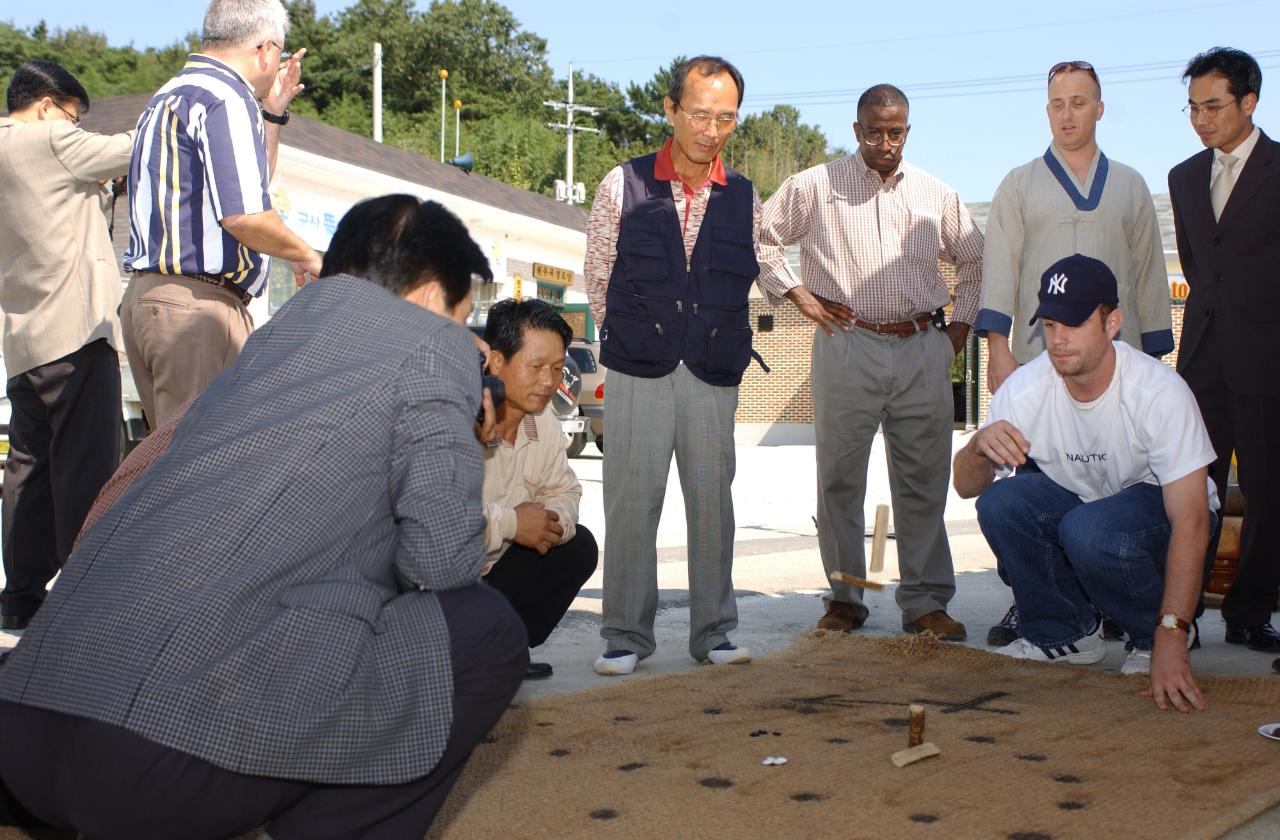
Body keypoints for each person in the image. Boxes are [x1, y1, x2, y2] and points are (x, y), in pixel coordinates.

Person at [0, 196, 529, 839]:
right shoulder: (432, 345)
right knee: (486, 628)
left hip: (27, 737)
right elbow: (440, 562)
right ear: (427, 300)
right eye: (459, 316)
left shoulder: (268, 344)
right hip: (151, 771)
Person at [757, 84, 983, 641]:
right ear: (857, 130)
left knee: (923, 481)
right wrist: (798, 295)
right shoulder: (815, 186)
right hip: (846, 342)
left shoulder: (936, 194)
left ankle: (925, 602)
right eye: (876, 131)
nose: (887, 142)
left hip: (921, 346)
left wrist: (954, 334)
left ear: (908, 130)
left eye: (897, 131)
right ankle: (846, 597)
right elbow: (760, 238)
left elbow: (977, 260)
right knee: (839, 480)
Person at [954, 254, 1215, 713]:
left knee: (1091, 530)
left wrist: (1172, 632)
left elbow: (1192, 521)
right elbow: (965, 487)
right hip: (1085, 510)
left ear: (1112, 323)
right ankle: (1064, 634)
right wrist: (977, 447)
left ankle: (1148, 634)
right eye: (1051, 324)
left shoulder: (1159, 392)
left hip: (1157, 519)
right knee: (1003, 502)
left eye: (1074, 324)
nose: (1058, 339)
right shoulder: (1024, 389)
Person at [973, 60, 1172, 646]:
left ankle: (1114, 599)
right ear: (1047, 110)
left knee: (1116, 489)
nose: (1068, 114)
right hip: (1042, 361)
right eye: (1058, 103)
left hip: (1115, 366)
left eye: (1079, 102)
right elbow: (1001, 269)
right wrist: (998, 348)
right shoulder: (1019, 183)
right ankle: (1035, 599)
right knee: (1029, 491)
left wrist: (1156, 358)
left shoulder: (1131, 184)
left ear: (1100, 108)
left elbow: (1149, 277)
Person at [584, 55, 761, 676]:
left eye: (726, 118)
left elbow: (752, 272)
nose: (711, 130)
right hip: (638, 368)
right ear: (672, 110)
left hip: (712, 371)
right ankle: (625, 635)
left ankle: (713, 631)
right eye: (700, 114)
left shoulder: (742, 195)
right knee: (632, 501)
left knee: (712, 501)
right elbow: (599, 274)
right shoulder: (622, 184)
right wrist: (633, 336)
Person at [120, 0, 322, 430]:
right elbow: (244, 214)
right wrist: (306, 253)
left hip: (150, 299)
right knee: (203, 468)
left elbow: (248, 184)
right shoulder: (225, 97)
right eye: (279, 53)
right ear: (266, 50)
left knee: (167, 462)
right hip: (196, 306)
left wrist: (274, 111)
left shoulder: (168, 94)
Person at [0, 60, 133, 631]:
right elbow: (136, 144)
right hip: (75, 334)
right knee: (88, 474)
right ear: (49, 105)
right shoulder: (50, 137)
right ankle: (85, 608)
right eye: (75, 119)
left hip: (23, 341)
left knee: (28, 476)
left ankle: (21, 598)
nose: (76, 131)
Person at [1169, 47, 1280, 665]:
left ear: (1249, 103)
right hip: (1202, 362)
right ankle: (1179, 616)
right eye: (1192, 108)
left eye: (1213, 106)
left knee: (1268, 493)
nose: (1201, 119)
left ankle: (1249, 613)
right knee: (1193, 490)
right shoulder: (1183, 177)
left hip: (1269, 359)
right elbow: (1196, 266)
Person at [479, 298, 599, 681]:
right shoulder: (455, 417)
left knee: (578, 546)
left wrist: (552, 523)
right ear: (496, 362)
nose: (550, 382)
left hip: (495, 573)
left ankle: (506, 649)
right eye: (536, 367)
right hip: (438, 583)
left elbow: (564, 490)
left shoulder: (542, 420)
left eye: (558, 368)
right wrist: (514, 525)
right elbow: (431, 526)